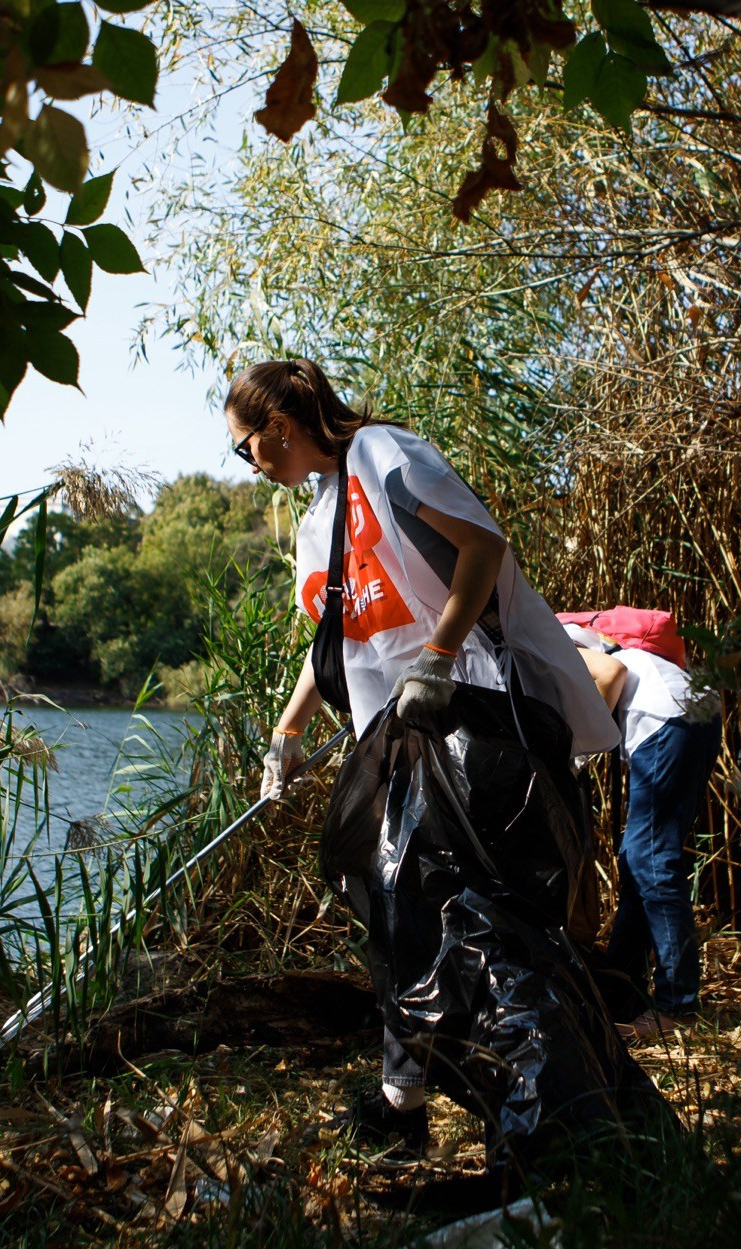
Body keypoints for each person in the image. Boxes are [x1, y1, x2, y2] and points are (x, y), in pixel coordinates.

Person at [234, 358, 620, 1155]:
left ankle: (564, 1119)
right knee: (401, 917)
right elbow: (334, 639)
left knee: (483, 924)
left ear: (280, 426)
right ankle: (402, 1102)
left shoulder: (384, 455)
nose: (247, 463)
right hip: (400, 750)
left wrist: (438, 655)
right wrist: (289, 729)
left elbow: (481, 545)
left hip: (473, 720)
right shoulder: (317, 522)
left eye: (245, 446)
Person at [561, 612, 722, 1039]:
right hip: (696, 712)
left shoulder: (543, 636)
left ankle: (678, 1006)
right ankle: (622, 993)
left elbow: (610, 673)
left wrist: (573, 754)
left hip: (666, 718)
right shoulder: (573, 632)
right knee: (638, 860)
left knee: (651, 859)